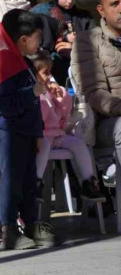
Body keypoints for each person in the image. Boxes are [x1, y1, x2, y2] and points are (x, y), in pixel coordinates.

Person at [0, 9, 58, 250]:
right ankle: (9, 229)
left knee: (29, 181)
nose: (40, 42)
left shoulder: (26, 64)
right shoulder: (3, 63)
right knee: (11, 180)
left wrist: (38, 131)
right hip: (9, 131)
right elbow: (3, 103)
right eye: (37, 37)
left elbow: (34, 106)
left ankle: (31, 224)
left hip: (28, 132)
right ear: (23, 39)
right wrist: (30, 92)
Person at [31, 50, 103, 200]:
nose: (50, 77)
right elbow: (40, 119)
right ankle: (35, 182)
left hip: (57, 134)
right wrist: (43, 97)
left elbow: (64, 116)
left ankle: (88, 182)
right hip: (41, 136)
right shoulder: (35, 94)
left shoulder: (50, 91)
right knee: (43, 147)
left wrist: (61, 97)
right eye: (46, 73)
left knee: (78, 144)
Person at [71, 0, 121, 184]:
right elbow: (95, 94)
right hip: (109, 121)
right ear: (101, 10)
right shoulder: (88, 41)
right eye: (115, 4)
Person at [32, 0, 94, 85]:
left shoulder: (84, 17)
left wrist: (75, 47)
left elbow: (94, 41)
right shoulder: (46, 14)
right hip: (55, 72)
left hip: (82, 70)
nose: (70, 1)